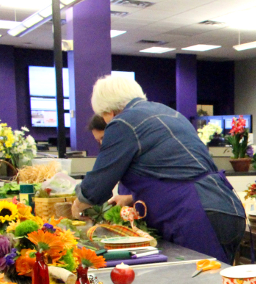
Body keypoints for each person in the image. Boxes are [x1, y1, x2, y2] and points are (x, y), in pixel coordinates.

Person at [72, 75, 246, 263]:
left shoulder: (122, 122)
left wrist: (76, 206)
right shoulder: (169, 113)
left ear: (110, 111)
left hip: (195, 217)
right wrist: (131, 198)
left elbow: (96, 187)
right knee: (219, 282)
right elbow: (177, 172)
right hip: (224, 207)